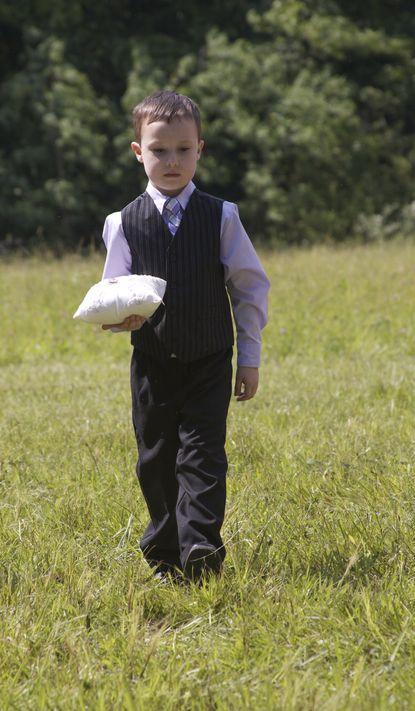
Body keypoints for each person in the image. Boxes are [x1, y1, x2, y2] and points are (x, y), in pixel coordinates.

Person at [100, 90, 270, 582]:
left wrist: (250, 358)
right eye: (158, 150)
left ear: (200, 149)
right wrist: (120, 318)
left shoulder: (222, 216)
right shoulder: (122, 223)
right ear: (138, 152)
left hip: (209, 360)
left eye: (182, 149)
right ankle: (164, 553)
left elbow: (249, 287)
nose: (171, 161)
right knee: (155, 460)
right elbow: (115, 292)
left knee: (203, 455)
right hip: (152, 363)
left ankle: (201, 549)